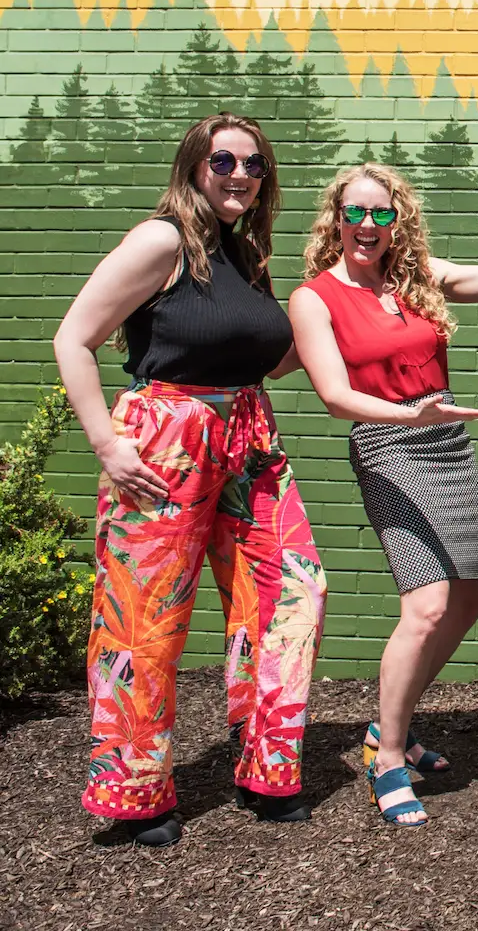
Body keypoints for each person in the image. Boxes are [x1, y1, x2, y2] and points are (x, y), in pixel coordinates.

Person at [52, 112, 326, 848]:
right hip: (165, 437)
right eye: (225, 161)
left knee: (292, 590)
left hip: (249, 431)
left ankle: (266, 763)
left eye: (254, 165)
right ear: (195, 166)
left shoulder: (242, 253)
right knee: (145, 620)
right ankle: (135, 791)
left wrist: (337, 317)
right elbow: (74, 338)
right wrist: (106, 445)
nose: (240, 175)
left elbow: (267, 361)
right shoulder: (162, 240)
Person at [287, 163, 478, 828]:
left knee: (469, 597)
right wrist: (412, 417)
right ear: (336, 218)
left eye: (382, 214)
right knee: (427, 604)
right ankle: (390, 760)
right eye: (356, 213)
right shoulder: (315, 297)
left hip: (446, 441)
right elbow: (334, 395)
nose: (369, 226)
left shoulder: (417, 277)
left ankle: (386, 725)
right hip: (389, 445)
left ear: (398, 220)